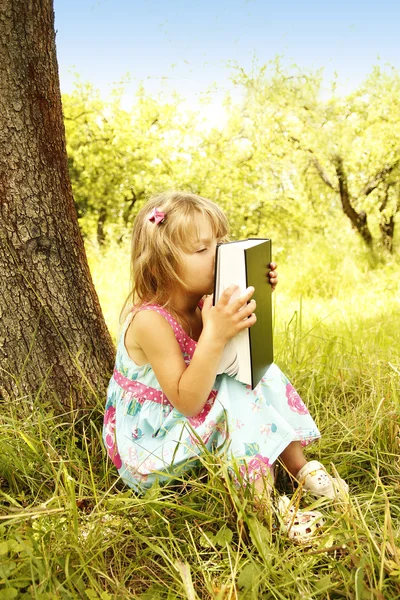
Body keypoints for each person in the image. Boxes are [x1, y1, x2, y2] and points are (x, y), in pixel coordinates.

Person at [103, 191, 348, 541]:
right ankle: (265, 506)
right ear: (161, 265)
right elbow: (186, 400)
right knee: (234, 387)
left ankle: (301, 470)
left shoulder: (207, 301)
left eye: (220, 242)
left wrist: (256, 295)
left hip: (187, 416)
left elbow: (237, 356)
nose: (217, 254)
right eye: (202, 249)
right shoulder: (149, 321)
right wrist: (215, 334)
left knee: (258, 373)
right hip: (152, 444)